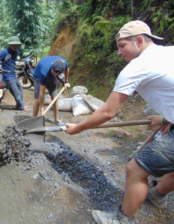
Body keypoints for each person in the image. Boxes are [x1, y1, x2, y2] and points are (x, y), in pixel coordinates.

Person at [65, 20, 174, 223]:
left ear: (139, 41)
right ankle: (157, 195)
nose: (118, 52)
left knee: (135, 169)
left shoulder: (138, 67)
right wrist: (164, 118)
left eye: (122, 45)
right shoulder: (170, 52)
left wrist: (78, 128)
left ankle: (121, 219)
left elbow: (108, 112)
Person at [0, 36, 30, 111]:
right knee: (16, 92)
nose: (15, 46)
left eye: (17, 45)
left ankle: (19, 105)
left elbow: (12, 62)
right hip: (7, 76)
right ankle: (21, 106)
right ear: (10, 45)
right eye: (13, 45)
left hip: (13, 74)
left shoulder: (16, 51)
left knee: (20, 89)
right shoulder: (5, 52)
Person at [33, 56, 70, 126]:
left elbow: (67, 69)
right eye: (54, 73)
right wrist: (42, 109)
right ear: (52, 68)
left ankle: (57, 120)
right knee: (38, 100)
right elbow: (42, 92)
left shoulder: (64, 63)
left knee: (54, 98)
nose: (56, 75)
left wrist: (66, 81)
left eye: (57, 74)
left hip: (51, 79)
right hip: (38, 77)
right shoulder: (44, 72)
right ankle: (34, 120)